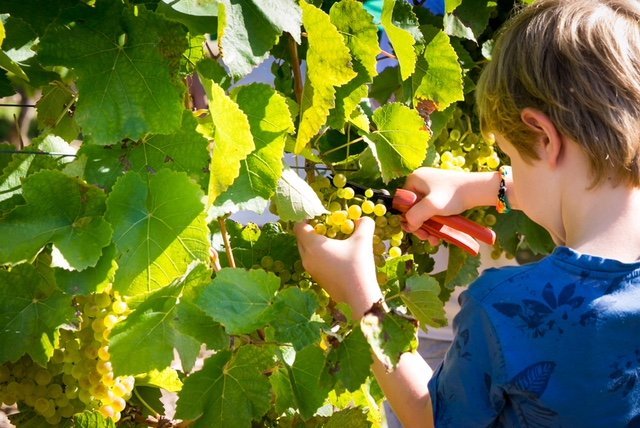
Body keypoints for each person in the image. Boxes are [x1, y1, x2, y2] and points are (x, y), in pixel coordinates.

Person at [294, 0, 640, 426]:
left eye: (510, 155)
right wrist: (489, 186)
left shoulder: (508, 311)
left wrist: (361, 298)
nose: (506, 168)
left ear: (544, 137)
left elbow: (431, 416)